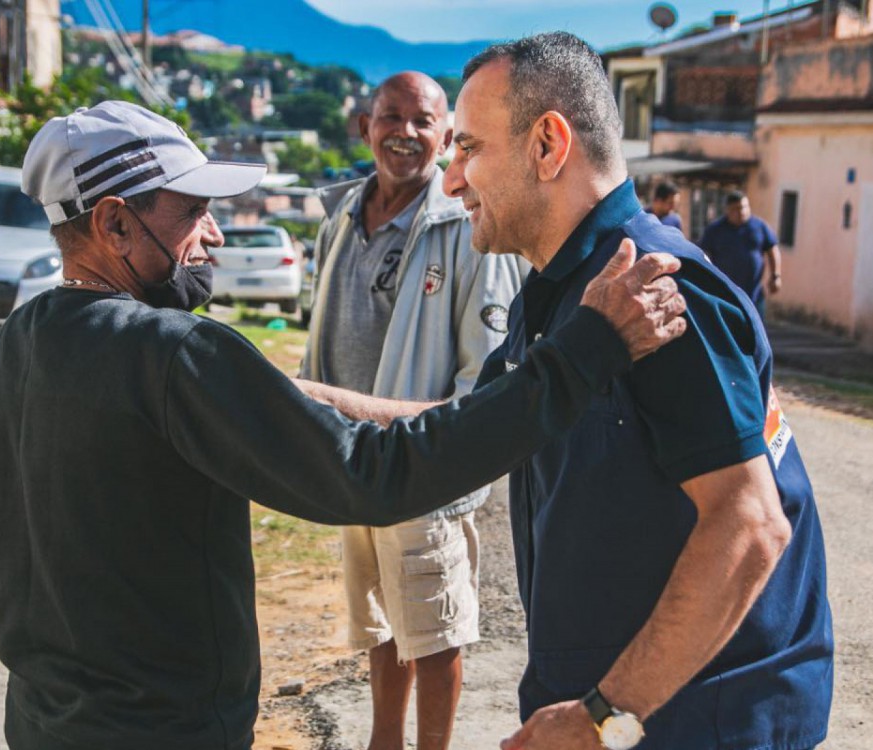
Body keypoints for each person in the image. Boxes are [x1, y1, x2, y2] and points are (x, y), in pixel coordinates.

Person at [0, 100, 687, 750]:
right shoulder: (170, 353)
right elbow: (373, 475)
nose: (215, 233)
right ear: (114, 224)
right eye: (192, 211)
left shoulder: (17, 343)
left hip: (40, 723)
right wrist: (585, 352)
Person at [439, 34, 831, 750]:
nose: (451, 181)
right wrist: (292, 403)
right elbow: (461, 428)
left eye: (467, 149)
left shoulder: (660, 289)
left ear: (548, 144)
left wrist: (605, 717)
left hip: (697, 724)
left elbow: (750, 526)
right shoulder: (554, 297)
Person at [300, 71, 523, 750]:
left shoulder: (466, 225)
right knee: (379, 621)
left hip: (424, 465)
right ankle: (383, 742)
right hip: (351, 460)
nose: (405, 133)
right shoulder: (341, 216)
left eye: (423, 121)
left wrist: (454, 467)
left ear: (447, 136)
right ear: (366, 126)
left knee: (434, 631)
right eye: (390, 117)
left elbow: (486, 375)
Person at [698, 191, 782, 319]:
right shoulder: (715, 230)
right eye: (736, 208)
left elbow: (772, 250)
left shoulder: (759, 227)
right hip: (725, 295)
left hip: (754, 295)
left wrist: (775, 276)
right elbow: (703, 254)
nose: (741, 211)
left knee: (755, 333)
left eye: (744, 207)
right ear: (727, 210)